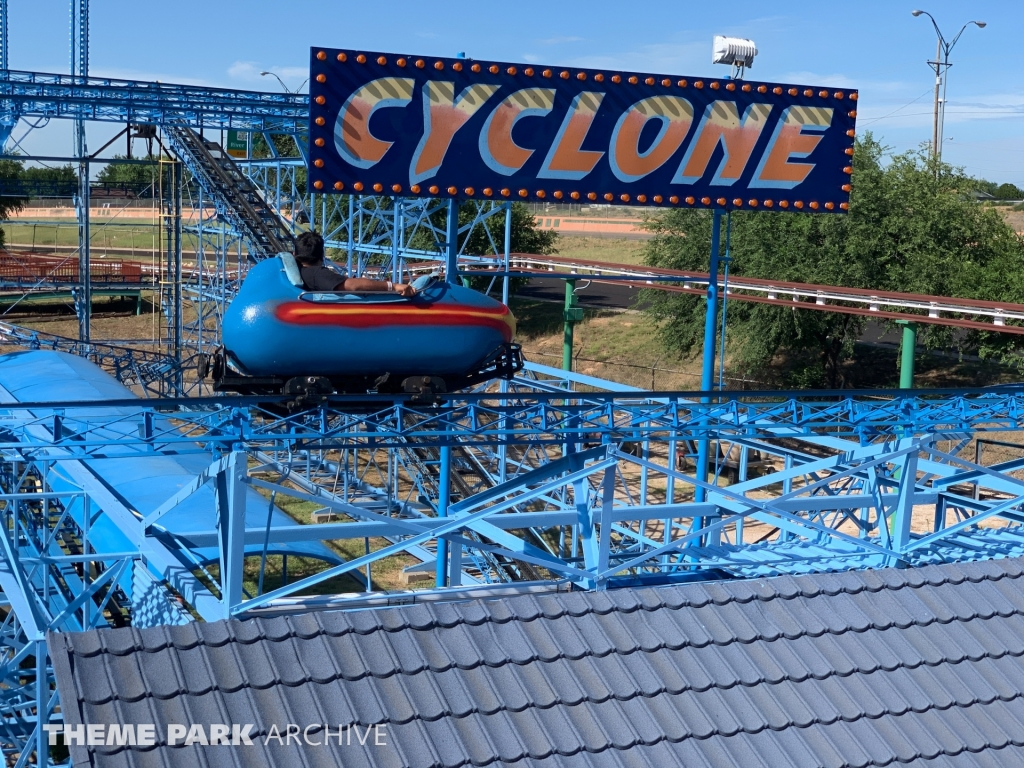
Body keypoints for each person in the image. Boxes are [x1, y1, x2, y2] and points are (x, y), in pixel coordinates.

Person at [293, 231, 415, 296]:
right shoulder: (316, 274)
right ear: (322, 255)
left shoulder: (296, 271)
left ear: (294, 254)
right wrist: (393, 286)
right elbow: (353, 285)